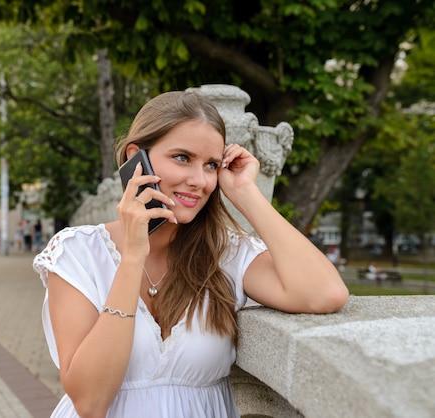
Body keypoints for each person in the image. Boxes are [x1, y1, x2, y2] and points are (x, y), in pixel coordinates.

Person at [33, 90, 349, 418]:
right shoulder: (78, 252)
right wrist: (132, 259)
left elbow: (326, 293)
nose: (199, 181)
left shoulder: (226, 252)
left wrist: (245, 193)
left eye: (211, 165)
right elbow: (90, 402)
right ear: (135, 159)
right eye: (182, 157)